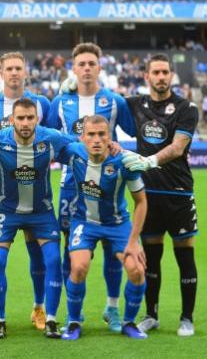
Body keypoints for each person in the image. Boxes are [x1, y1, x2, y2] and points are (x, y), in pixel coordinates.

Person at [49, 42, 137, 332]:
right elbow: (49, 141)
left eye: (92, 63)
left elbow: (133, 133)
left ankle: (112, 308)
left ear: (100, 67)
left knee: (114, 248)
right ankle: (74, 313)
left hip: (108, 181)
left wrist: (120, 147)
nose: (87, 68)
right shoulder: (60, 103)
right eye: (81, 64)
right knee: (71, 250)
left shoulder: (114, 102)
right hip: (70, 185)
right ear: (73, 68)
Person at [0, 98, 75, 339]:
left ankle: (50, 318)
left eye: (30, 118)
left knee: (52, 261)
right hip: (7, 212)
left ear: (37, 119)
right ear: (12, 120)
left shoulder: (50, 137)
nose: (26, 123)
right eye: (21, 118)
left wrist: (111, 146)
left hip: (41, 212)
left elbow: (80, 144)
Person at [121, 53, 200, 337]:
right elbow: (104, 102)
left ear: (171, 75)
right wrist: (74, 87)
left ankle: (186, 318)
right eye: (156, 72)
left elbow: (178, 147)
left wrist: (150, 161)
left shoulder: (186, 107)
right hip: (148, 195)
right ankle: (151, 314)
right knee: (151, 258)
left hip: (178, 192)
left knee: (184, 256)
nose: (161, 77)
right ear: (147, 76)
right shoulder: (135, 104)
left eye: (166, 72)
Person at [0, 51, 52, 331]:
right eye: (10, 68)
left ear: (26, 71)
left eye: (19, 67)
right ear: (1, 72)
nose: (15, 73)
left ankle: (40, 308)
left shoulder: (41, 104)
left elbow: (52, 141)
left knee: (38, 252)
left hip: (35, 190)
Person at [55, 115, 148, 341]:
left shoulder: (123, 162)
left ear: (110, 137)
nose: (96, 139)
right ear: (83, 137)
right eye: (91, 135)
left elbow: (141, 202)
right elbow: (49, 140)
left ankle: (129, 322)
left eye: (102, 135)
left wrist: (133, 241)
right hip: (85, 222)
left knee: (136, 270)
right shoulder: (73, 152)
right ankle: (74, 321)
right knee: (78, 267)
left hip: (117, 224)